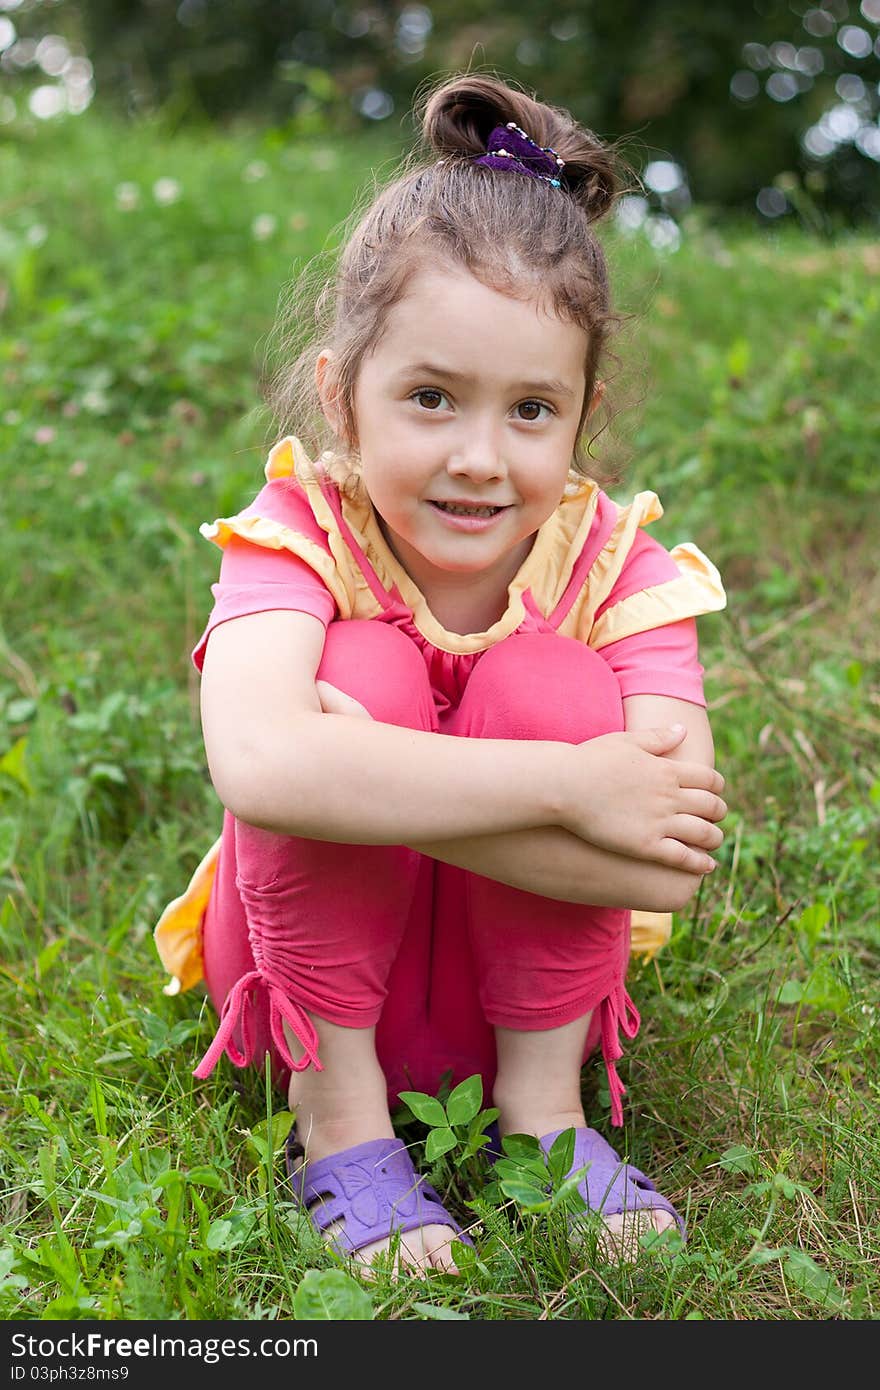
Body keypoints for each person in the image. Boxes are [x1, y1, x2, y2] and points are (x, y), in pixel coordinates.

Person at [154, 72, 727, 1277]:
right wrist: (572, 790)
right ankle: (343, 1130)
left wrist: (354, 778)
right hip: (302, 989)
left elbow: (660, 852)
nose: (478, 457)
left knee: (554, 683)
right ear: (340, 397)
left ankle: (545, 1123)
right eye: (428, 397)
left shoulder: (617, 566)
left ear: (583, 417)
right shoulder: (299, 530)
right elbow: (260, 764)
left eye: (530, 408)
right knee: (371, 660)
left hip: (517, 1001)